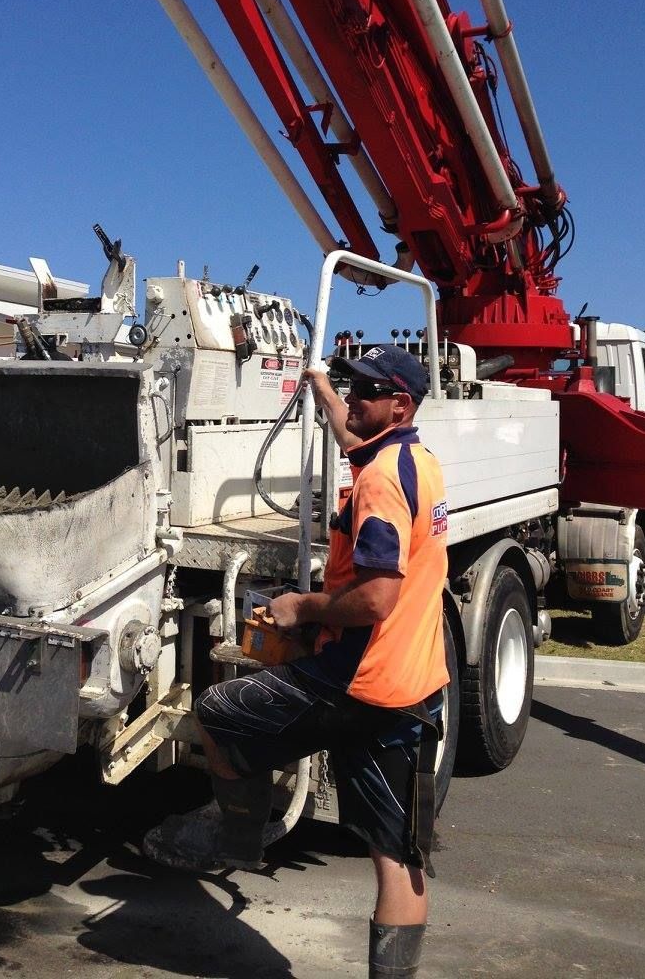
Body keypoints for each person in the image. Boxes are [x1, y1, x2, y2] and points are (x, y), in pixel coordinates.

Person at [149, 346, 450, 979]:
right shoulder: (417, 460)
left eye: (369, 390)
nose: (357, 396)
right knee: (397, 856)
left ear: (401, 403)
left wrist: (302, 608)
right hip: (411, 683)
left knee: (216, 712)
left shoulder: (379, 483)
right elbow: (351, 432)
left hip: (354, 682)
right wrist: (322, 388)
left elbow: (377, 597)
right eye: (353, 386)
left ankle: (239, 836)